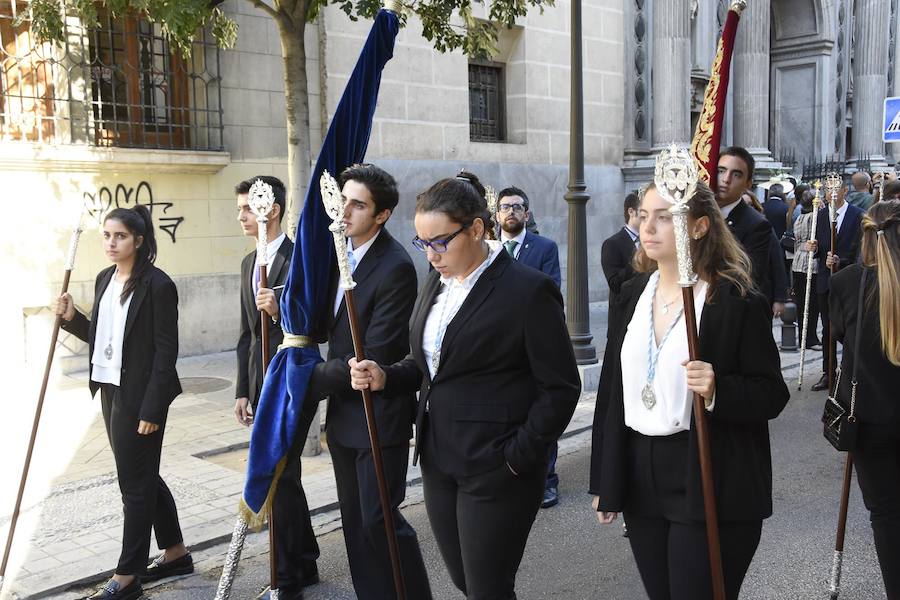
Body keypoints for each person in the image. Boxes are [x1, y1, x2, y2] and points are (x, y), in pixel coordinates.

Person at [349, 177, 581, 599]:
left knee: (487, 588)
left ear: (476, 229)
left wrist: (516, 458)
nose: (431, 255)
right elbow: (430, 367)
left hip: (497, 468)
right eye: (422, 243)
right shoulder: (436, 281)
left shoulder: (527, 290)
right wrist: (386, 375)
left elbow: (562, 388)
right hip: (439, 460)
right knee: (463, 580)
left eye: (440, 242)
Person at [589, 180, 789, 600]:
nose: (649, 226)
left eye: (664, 217)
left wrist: (719, 389)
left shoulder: (734, 299)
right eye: (644, 216)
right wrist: (606, 478)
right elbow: (612, 391)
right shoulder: (631, 294)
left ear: (699, 227)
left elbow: (772, 392)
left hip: (708, 468)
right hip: (643, 473)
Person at [307, 164, 432, 599]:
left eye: (358, 204)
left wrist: (309, 376)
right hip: (343, 417)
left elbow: (371, 354)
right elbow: (326, 327)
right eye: (343, 200)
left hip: (377, 416)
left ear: (381, 215)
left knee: (379, 521)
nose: (345, 210)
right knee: (355, 524)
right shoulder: (337, 252)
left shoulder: (394, 265)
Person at [55, 206, 190, 600]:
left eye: (120, 236)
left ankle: (128, 574)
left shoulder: (158, 285)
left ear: (139, 241)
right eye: (107, 235)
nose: (111, 243)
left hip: (141, 396)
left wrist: (153, 409)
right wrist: (70, 318)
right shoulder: (104, 279)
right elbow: (101, 337)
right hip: (110, 390)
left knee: (133, 484)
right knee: (143, 476)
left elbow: (167, 354)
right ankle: (176, 552)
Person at [233, 176, 319, 597]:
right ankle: (304, 561)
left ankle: (286, 580)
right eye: (240, 209)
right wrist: (241, 390)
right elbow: (246, 335)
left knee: (279, 475)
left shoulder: (298, 258)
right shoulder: (250, 264)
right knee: (286, 476)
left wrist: (279, 310)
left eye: (248, 208)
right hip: (261, 383)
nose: (241, 216)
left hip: (292, 379)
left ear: (273, 209)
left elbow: (314, 323)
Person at [829, 200, 900, 599]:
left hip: (868, 418)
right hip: (875, 418)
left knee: (887, 514)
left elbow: (839, 337)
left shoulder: (845, 282)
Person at [495, 185, 564, 509]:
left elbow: (552, 291)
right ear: (496, 214)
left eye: (517, 206)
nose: (511, 211)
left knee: (542, 413)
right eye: (505, 206)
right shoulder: (487, 249)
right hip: (497, 348)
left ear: (527, 213)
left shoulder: (544, 248)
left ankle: (548, 480)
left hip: (534, 346)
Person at [807, 180, 865, 392]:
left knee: (850, 327)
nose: (831, 193)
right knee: (828, 329)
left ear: (845, 191)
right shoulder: (820, 216)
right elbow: (819, 250)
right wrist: (812, 248)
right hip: (826, 280)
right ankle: (828, 372)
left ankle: (850, 371)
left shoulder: (858, 215)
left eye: (835, 189)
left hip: (849, 281)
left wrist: (842, 261)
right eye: (827, 189)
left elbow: (861, 250)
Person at [717, 147, 775, 310]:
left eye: (736, 174)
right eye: (721, 171)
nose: (726, 179)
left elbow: (747, 279)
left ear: (748, 183)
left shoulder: (756, 225)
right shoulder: (698, 214)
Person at [791, 189, 822, 350]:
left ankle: (805, 337)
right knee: (812, 305)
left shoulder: (799, 218)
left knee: (802, 304)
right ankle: (810, 338)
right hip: (810, 263)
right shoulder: (813, 218)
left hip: (797, 262)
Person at [601, 192, 641, 305]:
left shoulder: (649, 240)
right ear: (631, 212)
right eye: (643, 214)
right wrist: (638, 261)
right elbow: (614, 283)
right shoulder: (612, 244)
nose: (647, 219)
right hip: (625, 311)